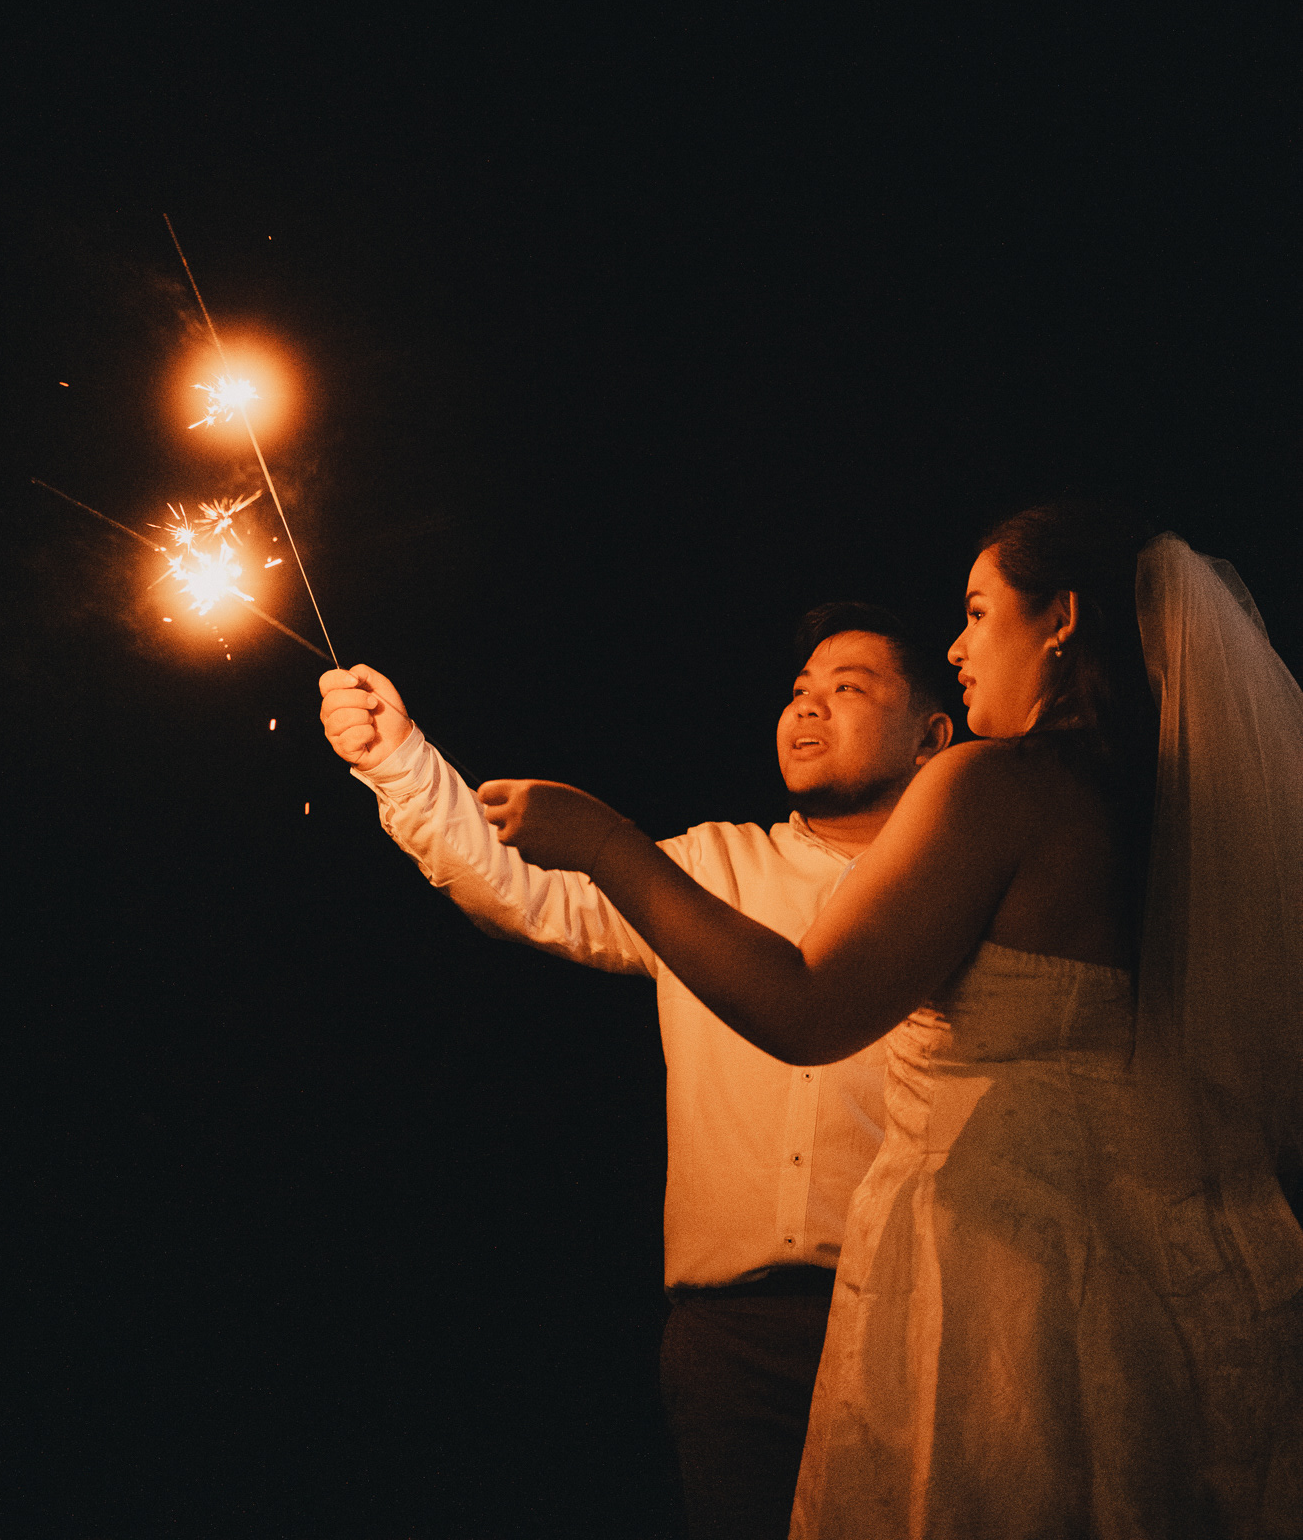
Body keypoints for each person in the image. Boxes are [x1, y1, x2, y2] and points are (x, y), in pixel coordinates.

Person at [478, 504, 1303, 1537]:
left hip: (1002, 1294)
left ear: (1060, 620)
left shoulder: (995, 783)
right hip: (1152, 1290)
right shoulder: (1163, 817)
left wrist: (606, 843)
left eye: (978, 610)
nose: (956, 646)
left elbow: (807, 1004)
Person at [319, 604, 953, 1540]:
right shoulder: (708, 866)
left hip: (915, 1318)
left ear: (932, 737)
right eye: (798, 690)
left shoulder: (959, 890)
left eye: (847, 689)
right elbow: (528, 893)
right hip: (729, 1336)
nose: (806, 707)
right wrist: (397, 759)